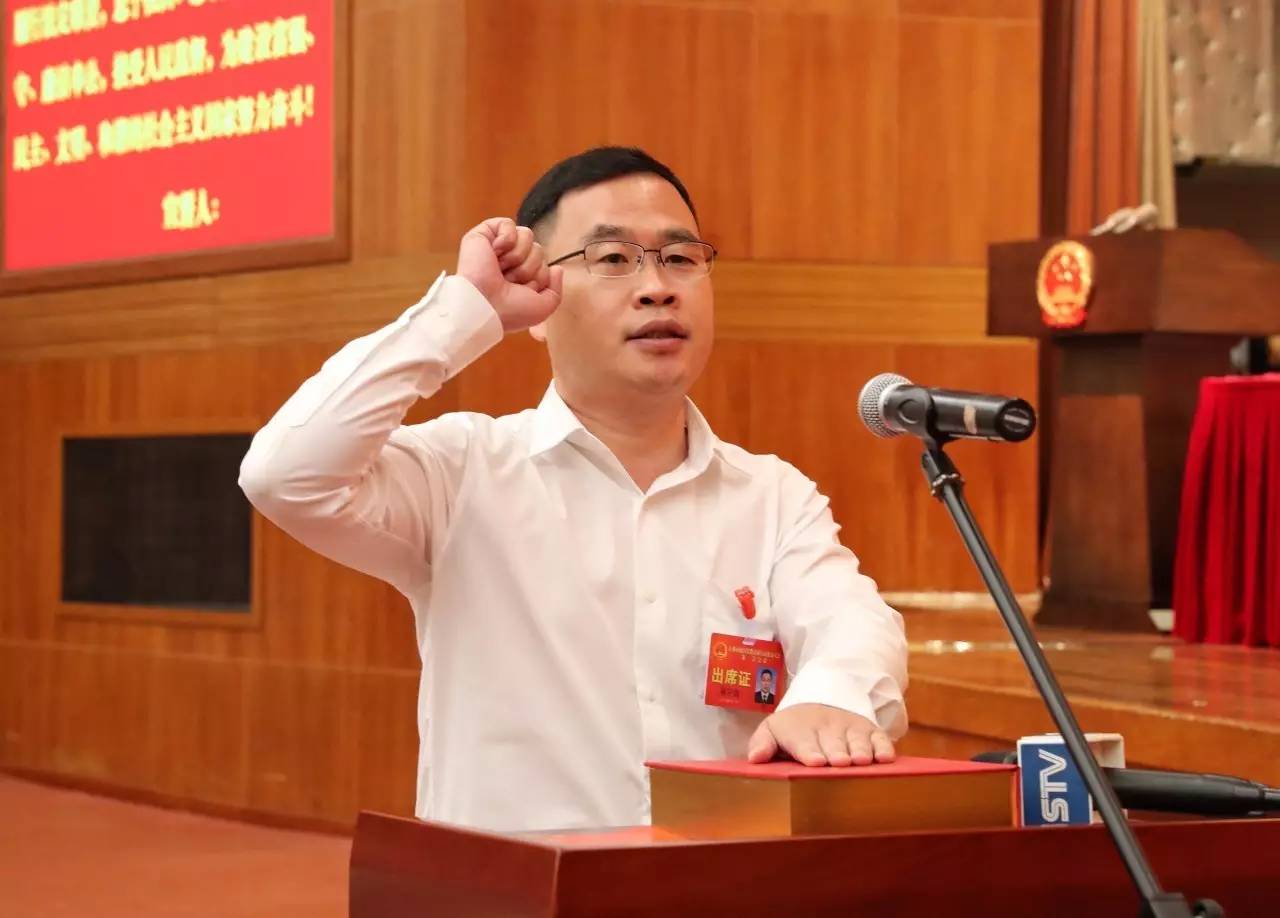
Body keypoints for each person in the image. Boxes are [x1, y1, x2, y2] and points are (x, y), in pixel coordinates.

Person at [239, 146, 908, 833]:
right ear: (539, 302)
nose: (657, 287)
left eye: (680, 258)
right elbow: (286, 475)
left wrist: (830, 696)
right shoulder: (463, 472)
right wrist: (464, 310)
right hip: (513, 883)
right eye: (613, 259)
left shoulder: (771, 496)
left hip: (712, 877)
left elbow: (854, 623)